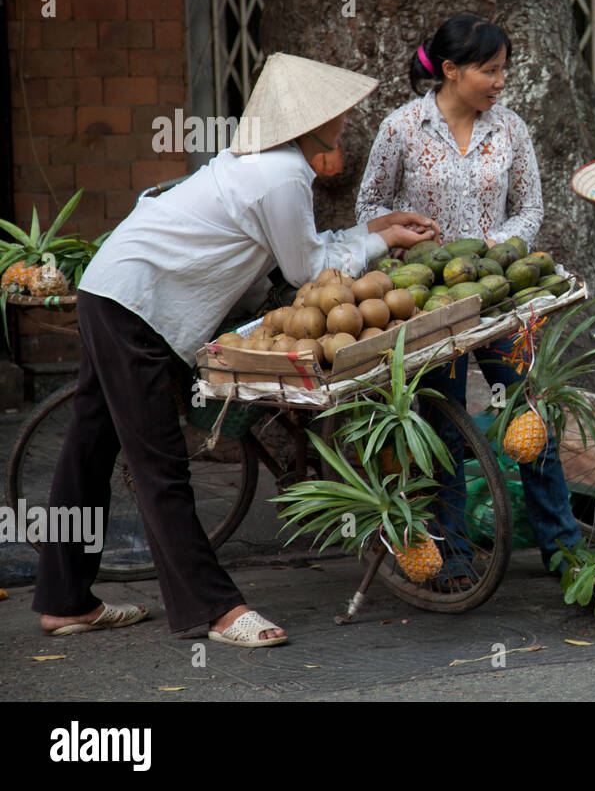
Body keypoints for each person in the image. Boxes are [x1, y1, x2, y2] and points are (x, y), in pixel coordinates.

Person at [34, 54, 435, 645]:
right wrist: (374, 242)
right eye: (341, 120)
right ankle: (214, 610)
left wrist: (374, 234)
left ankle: (66, 601)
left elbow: (302, 248)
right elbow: (307, 269)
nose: (346, 128)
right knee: (158, 464)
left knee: (90, 446)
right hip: (135, 305)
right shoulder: (282, 175)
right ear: (309, 125)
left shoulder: (264, 162)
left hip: (114, 289)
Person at [356, 13, 583, 580]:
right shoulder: (401, 127)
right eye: (490, 70)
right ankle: (454, 555)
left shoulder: (509, 129)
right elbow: (367, 208)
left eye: (504, 69)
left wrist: (500, 245)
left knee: (527, 415)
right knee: (444, 427)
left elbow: (530, 208)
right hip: (429, 305)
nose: (501, 81)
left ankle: (563, 546)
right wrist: (399, 234)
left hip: (502, 297)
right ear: (451, 71)